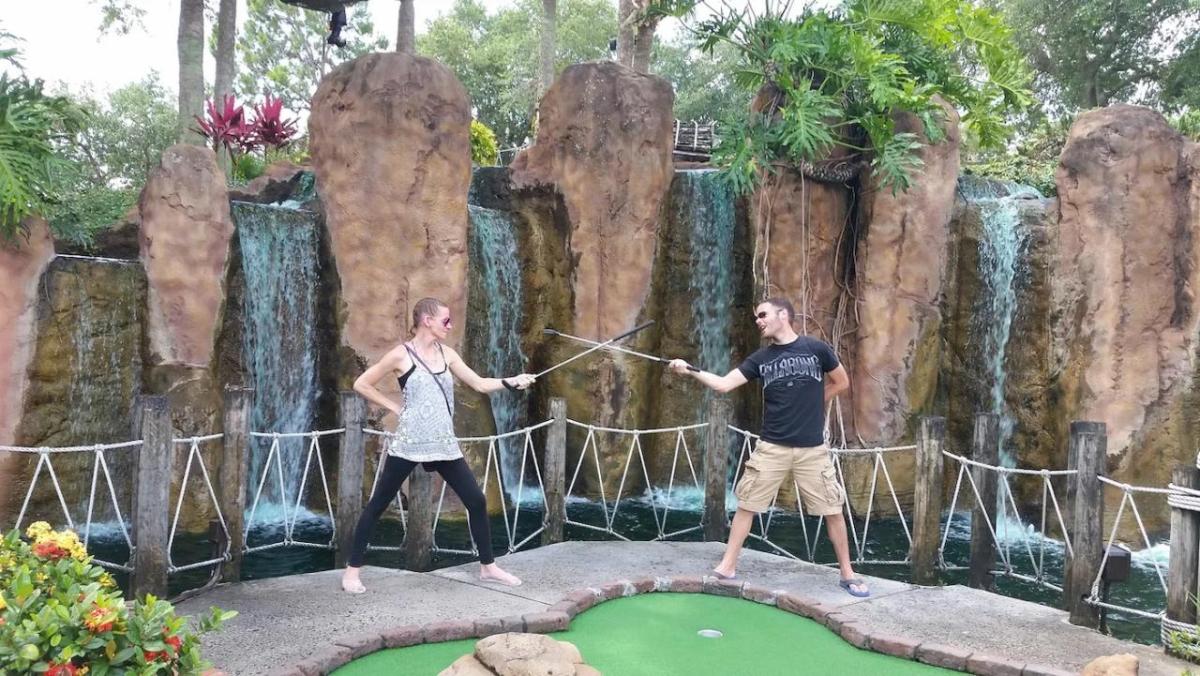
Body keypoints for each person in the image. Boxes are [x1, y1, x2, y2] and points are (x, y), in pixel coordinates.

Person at [668, 297, 868, 597]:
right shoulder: (760, 359)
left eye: (762, 315)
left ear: (783, 314)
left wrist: (814, 402)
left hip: (812, 450)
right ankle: (726, 567)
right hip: (771, 447)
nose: (758, 321)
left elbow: (841, 382)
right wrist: (689, 370)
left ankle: (848, 574)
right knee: (747, 504)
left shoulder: (817, 349)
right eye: (756, 317)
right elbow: (724, 384)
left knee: (832, 509)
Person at [341, 297, 535, 593]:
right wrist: (394, 407)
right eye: (446, 320)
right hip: (409, 442)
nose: (450, 325)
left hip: (443, 443)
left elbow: (479, 383)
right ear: (427, 321)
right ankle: (352, 572)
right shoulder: (400, 355)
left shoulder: (448, 354)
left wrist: (512, 381)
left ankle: (488, 567)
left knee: (476, 500)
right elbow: (362, 384)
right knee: (378, 504)